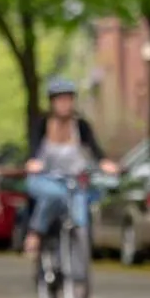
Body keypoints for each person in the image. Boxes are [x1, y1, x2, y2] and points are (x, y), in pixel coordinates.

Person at [21, 79, 114, 262]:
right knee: (53, 195)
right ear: (52, 102)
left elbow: (94, 149)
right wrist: (33, 162)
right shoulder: (42, 124)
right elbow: (33, 149)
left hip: (73, 180)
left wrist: (105, 163)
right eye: (60, 100)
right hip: (45, 179)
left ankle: (79, 261)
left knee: (81, 210)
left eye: (68, 99)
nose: (65, 104)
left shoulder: (80, 126)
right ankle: (36, 233)